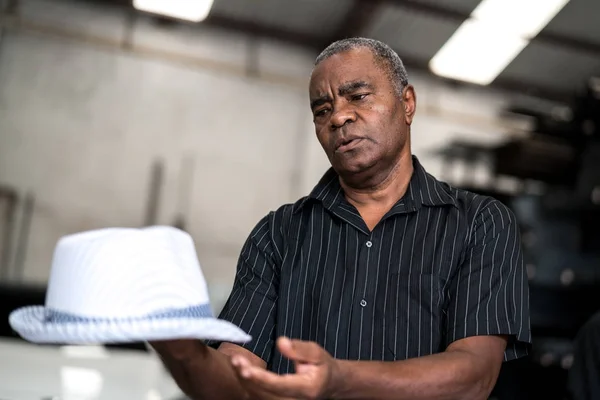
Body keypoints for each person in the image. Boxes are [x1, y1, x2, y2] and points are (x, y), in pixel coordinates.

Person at [150, 37, 531, 400]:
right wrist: (180, 349)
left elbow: (473, 378)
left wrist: (340, 379)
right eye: (322, 109)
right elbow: (238, 379)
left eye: (358, 96)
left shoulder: (479, 224)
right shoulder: (278, 234)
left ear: (408, 103)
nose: (339, 117)